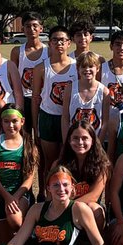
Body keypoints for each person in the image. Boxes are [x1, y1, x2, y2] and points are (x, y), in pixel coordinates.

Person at [0, 105, 38, 244]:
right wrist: (7, 198)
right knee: (4, 243)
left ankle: (27, 227)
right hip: (0, 194)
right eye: (6, 121)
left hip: (20, 194)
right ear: (1, 122)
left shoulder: (29, 146)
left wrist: (15, 197)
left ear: (23, 121)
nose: (11, 125)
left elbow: (29, 180)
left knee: (15, 221)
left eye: (15, 121)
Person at [30, 25, 76, 180]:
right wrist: (36, 127)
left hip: (69, 118)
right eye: (55, 40)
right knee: (49, 161)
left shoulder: (76, 66)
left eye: (63, 40)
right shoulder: (41, 68)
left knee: (68, 161)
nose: (59, 43)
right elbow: (35, 99)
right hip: (48, 117)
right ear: (49, 43)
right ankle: (46, 197)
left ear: (69, 43)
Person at [62, 51, 108, 138]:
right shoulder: (70, 89)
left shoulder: (104, 92)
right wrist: (66, 142)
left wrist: (99, 144)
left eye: (91, 66)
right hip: (74, 140)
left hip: (95, 139)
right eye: (83, 66)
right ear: (77, 68)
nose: (87, 69)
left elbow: (105, 122)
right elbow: (65, 119)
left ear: (98, 68)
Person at [10, 11, 46, 121]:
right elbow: (13, 77)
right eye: (28, 26)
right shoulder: (17, 51)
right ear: (23, 29)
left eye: (35, 26)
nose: (31, 29)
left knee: (40, 132)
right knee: (24, 133)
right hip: (23, 98)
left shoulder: (49, 51)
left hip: (42, 98)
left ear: (41, 28)